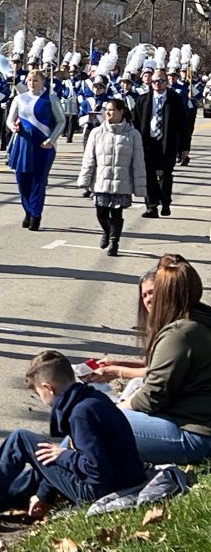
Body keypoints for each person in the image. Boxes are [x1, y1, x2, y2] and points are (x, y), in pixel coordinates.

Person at [0, 350, 146, 532]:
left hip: (102, 490)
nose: (42, 399)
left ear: (48, 388)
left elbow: (97, 470)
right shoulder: (90, 399)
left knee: (21, 440)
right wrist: (45, 495)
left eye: (39, 393)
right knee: (45, 456)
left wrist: (64, 456)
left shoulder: (80, 414)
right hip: (123, 479)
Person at [117, 254, 211, 465]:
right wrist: (118, 370)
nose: (150, 299)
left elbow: (153, 396)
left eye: (155, 291)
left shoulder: (179, 333)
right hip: (195, 423)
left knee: (90, 418)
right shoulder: (200, 319)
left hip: (194, 435)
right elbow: (160, 374)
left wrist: (117, 407)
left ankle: (61, 476)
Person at [76, 99, 147, 256]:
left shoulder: (133, 134)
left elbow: (138, 162)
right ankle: (107, 231)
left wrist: (140, 185)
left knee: (116, 213)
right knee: (101, 213)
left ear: (121, 112)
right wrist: (85, 179)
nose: (108, 113)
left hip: (122, 182)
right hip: (101, 180)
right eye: (106, 110)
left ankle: (114, 241)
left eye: (112, 110)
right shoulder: (97, 132)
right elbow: (89, 158)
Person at [6, 70, 65, 232]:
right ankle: (28, 210)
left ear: (43, 82)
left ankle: (36, 215)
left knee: (38, 181)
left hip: (43, 146)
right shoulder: (19, 98)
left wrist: (51, 139)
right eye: (30, 80)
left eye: (36, 80)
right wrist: (13, 127)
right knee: (22, 181)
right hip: (23, 144)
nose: (32, 83)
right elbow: (10, 119)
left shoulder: (51, 98)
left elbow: (61, 121)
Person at [85, 268, 157, 387]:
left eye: (152, 292)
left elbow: (159, 373)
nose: (148, 299)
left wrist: (117, 371)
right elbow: (155, 365)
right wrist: (117, 364)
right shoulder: (162, 326)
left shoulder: (176, 331)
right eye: (144, 295)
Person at [133, 70, 185, 218]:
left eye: (161, 81)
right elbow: (135, 122)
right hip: (148, 143)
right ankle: (151, 207)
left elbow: (183, 124)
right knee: (148, 175)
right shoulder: (143, 100)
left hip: (167, 143)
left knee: (164, 173)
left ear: (166, 82)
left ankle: (165, 201)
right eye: (154, 81)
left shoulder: (174, 99)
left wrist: (184, 147)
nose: (157, 84)